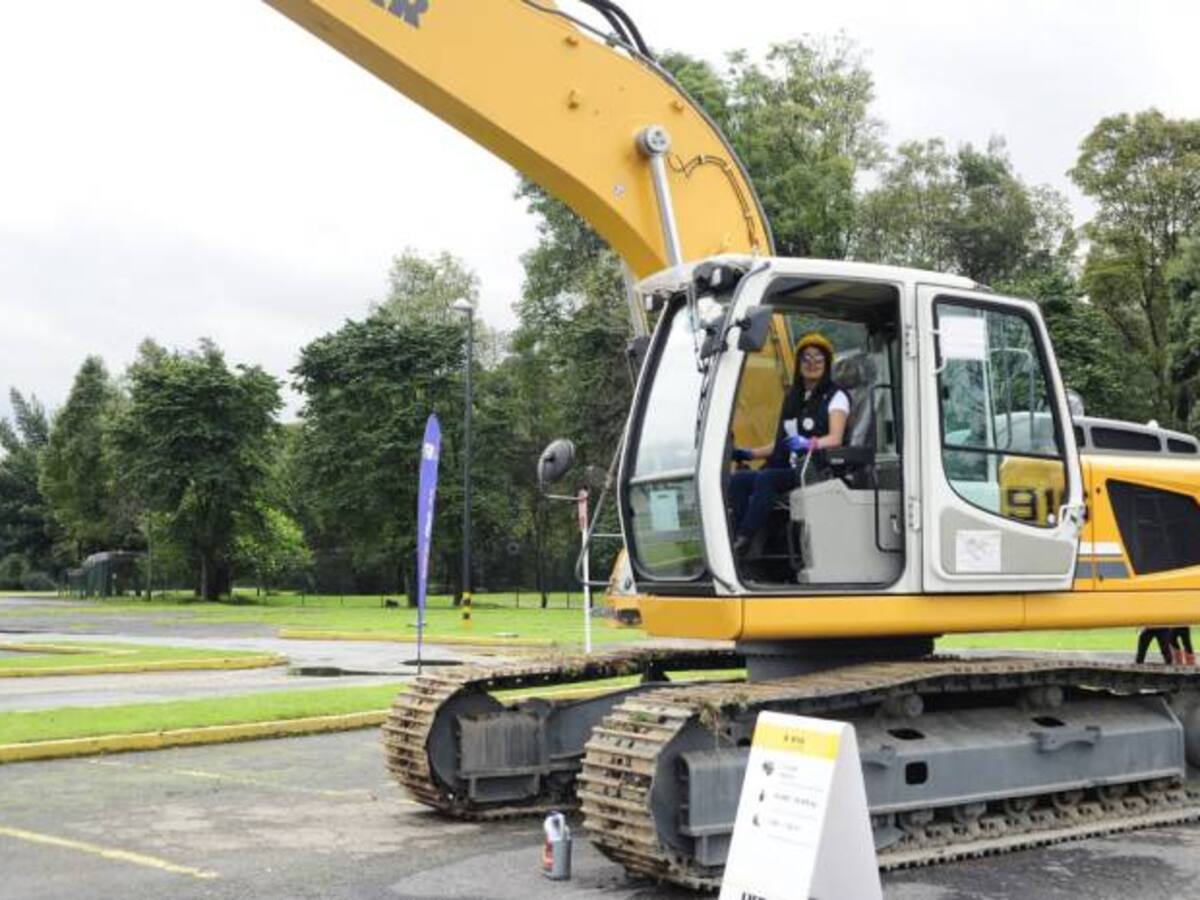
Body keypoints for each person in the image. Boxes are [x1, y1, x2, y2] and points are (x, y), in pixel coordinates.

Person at [728, 332, 850, 556]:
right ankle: (738, 537)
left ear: (827, 364)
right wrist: (745, 453)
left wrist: (809, 443)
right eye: (806, 358)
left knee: (767, 478)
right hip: (792, 469)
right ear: (798, 364)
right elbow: (780, 445)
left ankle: (745, 539)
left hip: (817, 469)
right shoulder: (793, 398)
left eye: (818, 359)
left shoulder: (836, 396)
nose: (812, 363)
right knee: (739, 480)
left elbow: (835, 438)